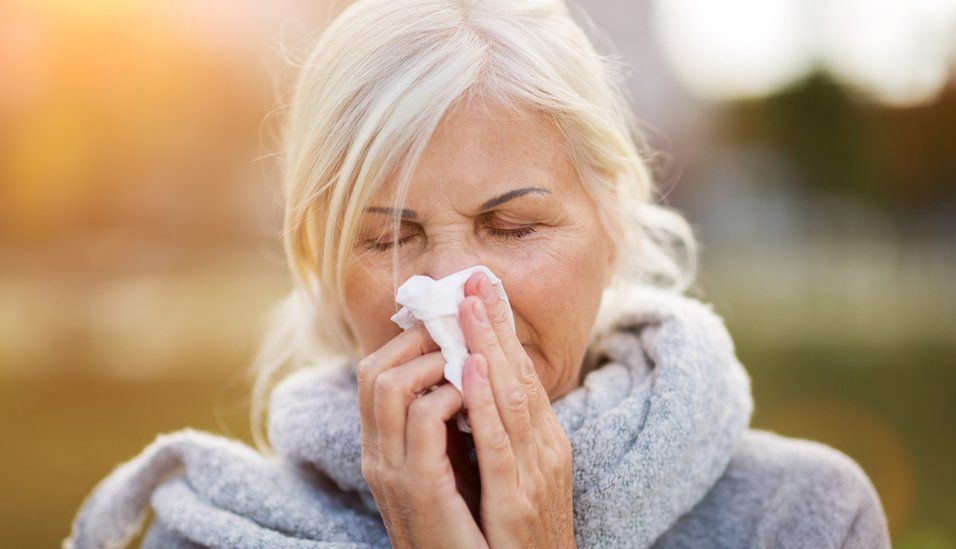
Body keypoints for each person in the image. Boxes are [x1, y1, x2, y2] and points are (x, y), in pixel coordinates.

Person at [65, 0, 892, 547]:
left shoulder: (801, 517)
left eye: (513, 225)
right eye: (391, 239)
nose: (457, 291)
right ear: (321, 263)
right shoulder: (204, 531)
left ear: (613, 228)